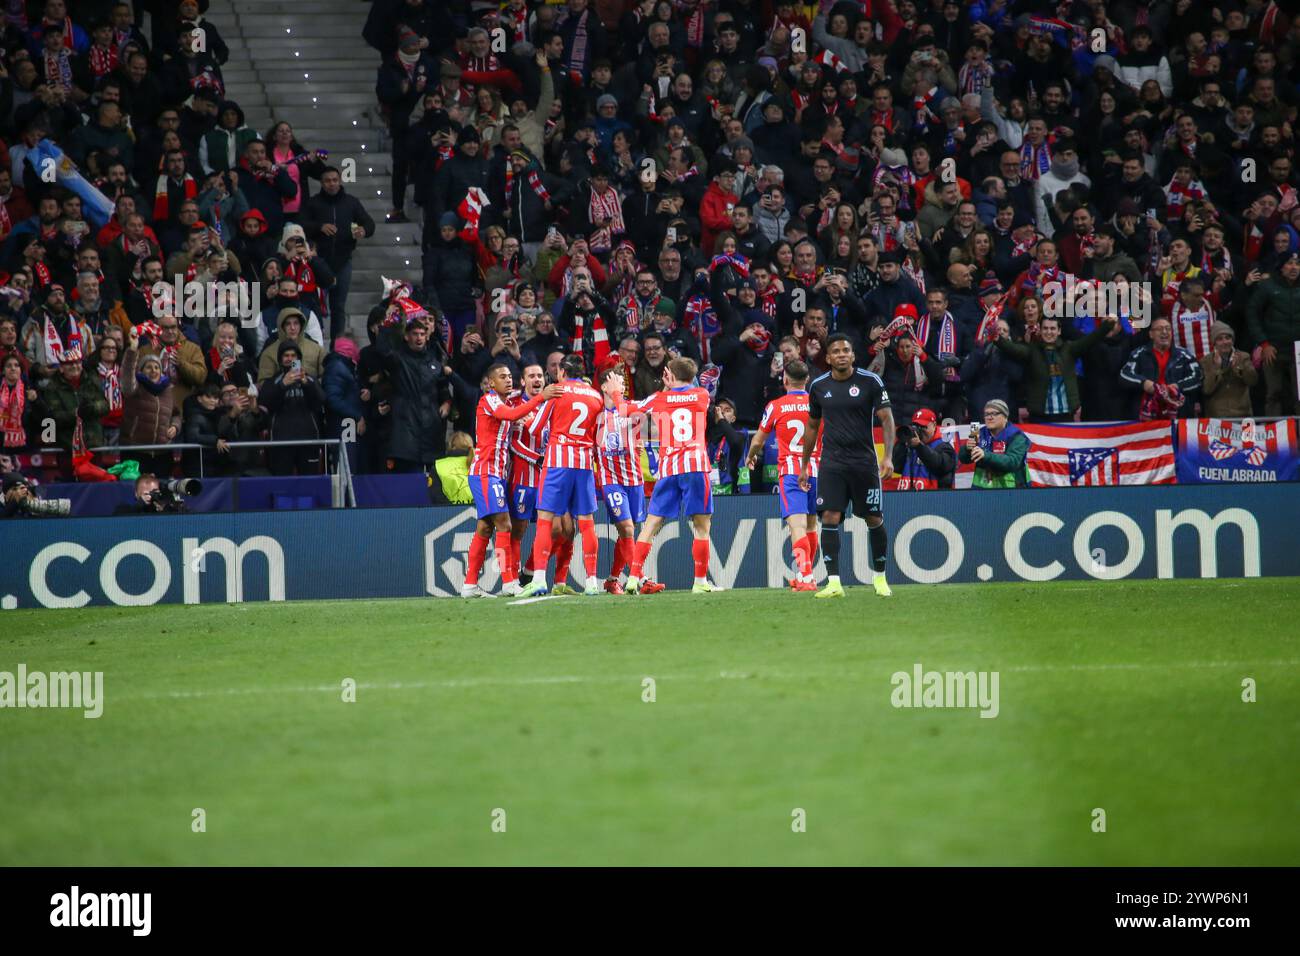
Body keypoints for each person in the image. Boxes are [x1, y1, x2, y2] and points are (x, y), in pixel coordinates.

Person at [799, 333, 895, 599]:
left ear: (853, 355)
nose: (842, 354)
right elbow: (812, 426)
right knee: (829, 517)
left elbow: (887, 420)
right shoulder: (818, 386)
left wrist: (887, 457)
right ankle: (833, 583)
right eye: (836, 351)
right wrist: (805, 464)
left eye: (846, 350)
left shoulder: (871, 381)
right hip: (831, 463)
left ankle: (880, 578)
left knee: (873, 518)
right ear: (828, 358)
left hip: (864, 463)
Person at [462, 363, 560, 598]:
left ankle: (469, 585)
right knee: (505, 525)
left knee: (485, 527)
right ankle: (509, 582)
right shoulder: (490, 400)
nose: (508, 380)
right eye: (502, 377)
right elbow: (511, 414)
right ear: (490, 383)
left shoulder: (504, 402)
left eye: (509, 376)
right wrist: (540, 398)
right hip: (486, 472)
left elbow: (512, 415)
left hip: (495, 473)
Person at [624, 356, 718, 595]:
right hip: (695, 466)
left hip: (668, 468)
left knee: (651, 524)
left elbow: (627, 410)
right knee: (701, 527)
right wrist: (676, 381)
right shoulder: (702, 396)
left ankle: (633, 577)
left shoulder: (659, 398)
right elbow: (689, 386)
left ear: (669, 376)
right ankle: (699, 582)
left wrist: (616, 393)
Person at [519, 354, 606, 597]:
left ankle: (538, 580)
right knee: (587, 523)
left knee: (546, 521)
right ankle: (591, 582)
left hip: (557, 462)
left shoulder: (556, 391)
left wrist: (528, 422)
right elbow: (598, 433)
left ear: (561, 372)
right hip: (584, 463)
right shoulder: (596, 396)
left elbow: (536, 429)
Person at [746, 359, 820, 591]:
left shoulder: (776, 406)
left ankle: (806, 578)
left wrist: (751, 456)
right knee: (811, 525)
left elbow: (759, 438)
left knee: (796, 526)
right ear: (807, 379)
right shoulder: (817, 404)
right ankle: (804, 575)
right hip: (817, 470)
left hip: (791, 472)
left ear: (785, 380)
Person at [593, 364, 658, 595]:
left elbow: (651, 415)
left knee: (626, 534)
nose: (621, 387)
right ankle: (640, 579)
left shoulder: (630, 410)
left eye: (622, 383)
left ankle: (612, 580)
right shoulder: (595, 413)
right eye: (617, 383)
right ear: (604, 386)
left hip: (635, 480)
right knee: (628, 529)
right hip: (611, 481)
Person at [959, 399, 1029, 489]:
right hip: (982, 490)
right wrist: (967, 449)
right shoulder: (978, 433)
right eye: (987, 414)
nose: (990, 417)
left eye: (994, 414)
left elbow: (1012, 462)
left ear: (1005, 416)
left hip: (1011, 490)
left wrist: (985, 455)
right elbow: (963, 459)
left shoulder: (1017, 437)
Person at [890, 407, 957, 490]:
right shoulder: (910, 445)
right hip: (907, 498)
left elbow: (940, 466)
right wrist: (902, 442)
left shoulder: (944, 446)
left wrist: (919, 447)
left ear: (934, 425)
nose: (920, 431)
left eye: (923, 427)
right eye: (916, 426)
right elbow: (896, 466)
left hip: (934, 499)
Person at [1200, 323, 1257, 418]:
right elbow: (1206, 389)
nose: (1225, 342)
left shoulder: (1243, 357)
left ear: (1232, 340)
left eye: (1227, 338)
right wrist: (1217, 368)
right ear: (1214, 343)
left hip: (1243, 415)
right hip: (1216, 418)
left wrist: (1239, 368)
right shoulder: (1205, 361)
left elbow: (1253, 381)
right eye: (1220, 339)